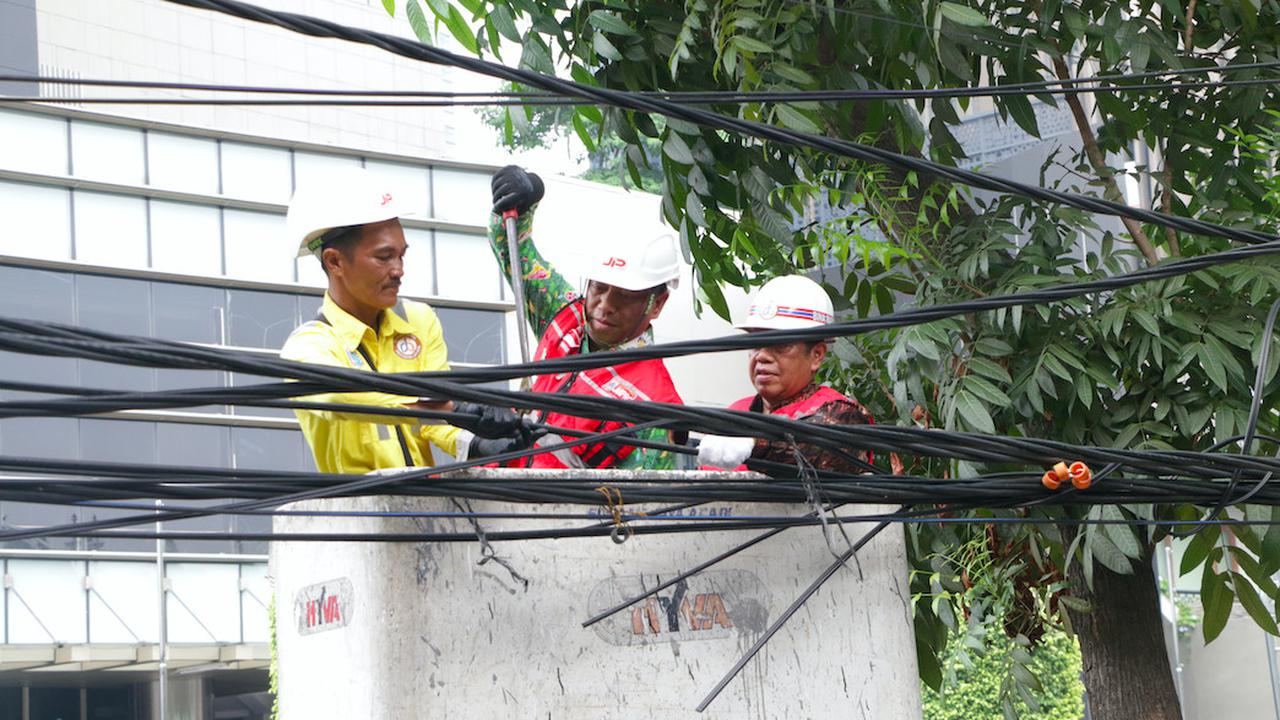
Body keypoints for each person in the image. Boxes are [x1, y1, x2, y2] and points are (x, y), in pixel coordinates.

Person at [280, 167, 534, 474]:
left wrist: (475, 442)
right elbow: (343, 396)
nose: (398, 269)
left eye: (402, 255)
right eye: (384, 257)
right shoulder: (309, 346)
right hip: (353, 511)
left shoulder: (418, 320)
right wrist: (458, 408)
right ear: (335, 261)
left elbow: (433, 422)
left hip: (423, 505)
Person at [488, 165, 684, 469]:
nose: (604, 305)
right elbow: (511, 245)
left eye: (625, 296)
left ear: (656, 304)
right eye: (599, 288)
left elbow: (639, 503)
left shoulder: (654, 403)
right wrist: (527, 193)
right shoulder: (564, 313)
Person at [697, 275, 874, 473]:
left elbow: (818, 448)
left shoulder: (841, 414)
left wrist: (756, 442)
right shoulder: (734, 413)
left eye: (780, 344)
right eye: (755, 342)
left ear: (817, 355)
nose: (762, 355)